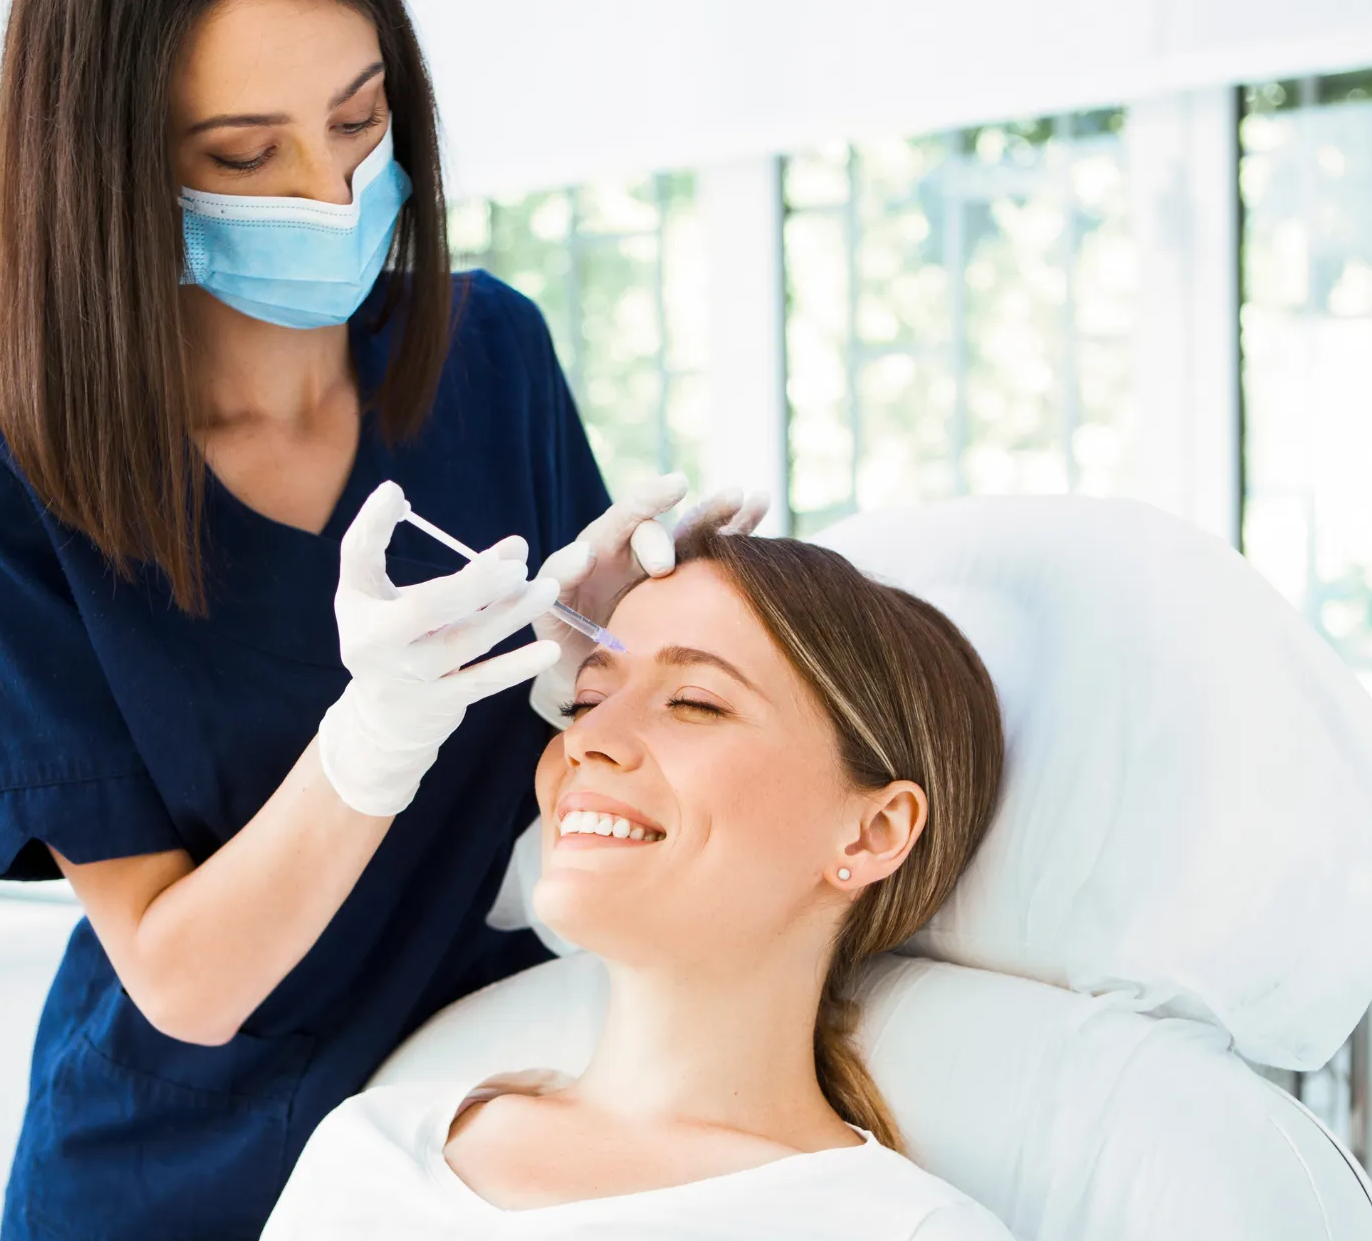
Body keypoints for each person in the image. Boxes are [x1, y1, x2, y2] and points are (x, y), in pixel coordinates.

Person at [0, 0, 761, 1237]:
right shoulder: (11, 483)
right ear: (114, 170)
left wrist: (591, 661)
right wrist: (373, 740)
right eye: (245, 154)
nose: (328, 190)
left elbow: (581, 801)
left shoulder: (490, 355)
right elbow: (180, 980)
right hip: (184, 1171)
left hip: (465, 1131)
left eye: (358, 120)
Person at [266, 522, 1017, 1238]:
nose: (586, 740)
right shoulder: (372, 1147)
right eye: (585, 700)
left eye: (694, 702)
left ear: (874, 830)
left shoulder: (899, 1229)